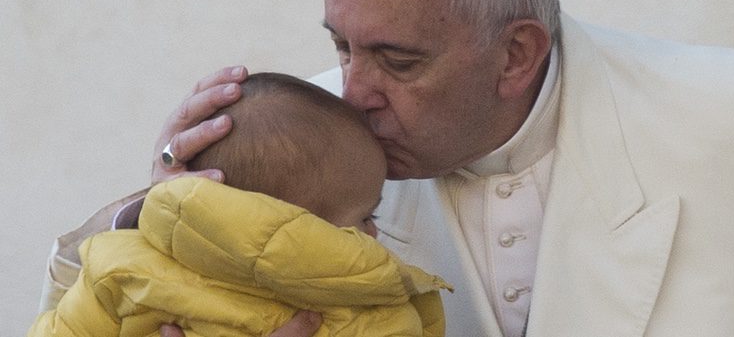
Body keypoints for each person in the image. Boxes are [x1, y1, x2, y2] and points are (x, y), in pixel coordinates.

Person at [40, 0, 734, 336]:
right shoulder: (297, 144)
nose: (352, 92)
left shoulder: (729, 117)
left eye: (397, 60)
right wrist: (160, 215)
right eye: (341, 46)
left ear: (516, 53)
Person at [29, 73, 450, 337]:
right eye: (366, 217)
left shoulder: (121, 267)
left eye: (398, 58)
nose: (375, 234)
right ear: (300, 225)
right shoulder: (373, 314)